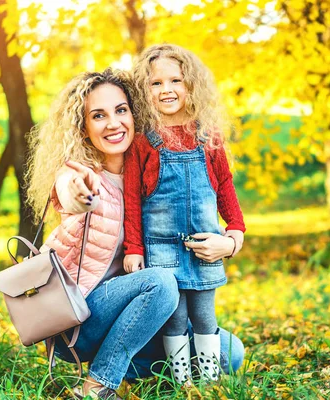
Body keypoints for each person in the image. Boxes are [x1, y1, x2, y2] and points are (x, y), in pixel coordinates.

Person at [25, 67, 244, 399]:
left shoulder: (153, 169)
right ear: (83, 129)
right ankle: (97, 385)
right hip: (81, 317)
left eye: (121, 110)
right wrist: (81, 192)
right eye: (98, 116)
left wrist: (228, 242)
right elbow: (68, 191)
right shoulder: (80, 172)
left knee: (231, 352)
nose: (114, 123)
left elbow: (209, 202)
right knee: (161, 281)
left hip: (142, 313)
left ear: (135, 112)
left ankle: (131, 362)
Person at [123, 44, 246, 385]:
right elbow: (132, 198)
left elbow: (224, 185)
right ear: (143, 90)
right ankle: (182, 383)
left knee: (205, 316)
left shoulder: (208, 136)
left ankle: (207, 382)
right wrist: (134, 247)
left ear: (190, 84)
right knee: (174, 319)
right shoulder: (143, 141)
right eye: (156, 83)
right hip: (161, 250)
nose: (166, 90)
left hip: (205, 246)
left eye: (175, 80)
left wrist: (235, 227)